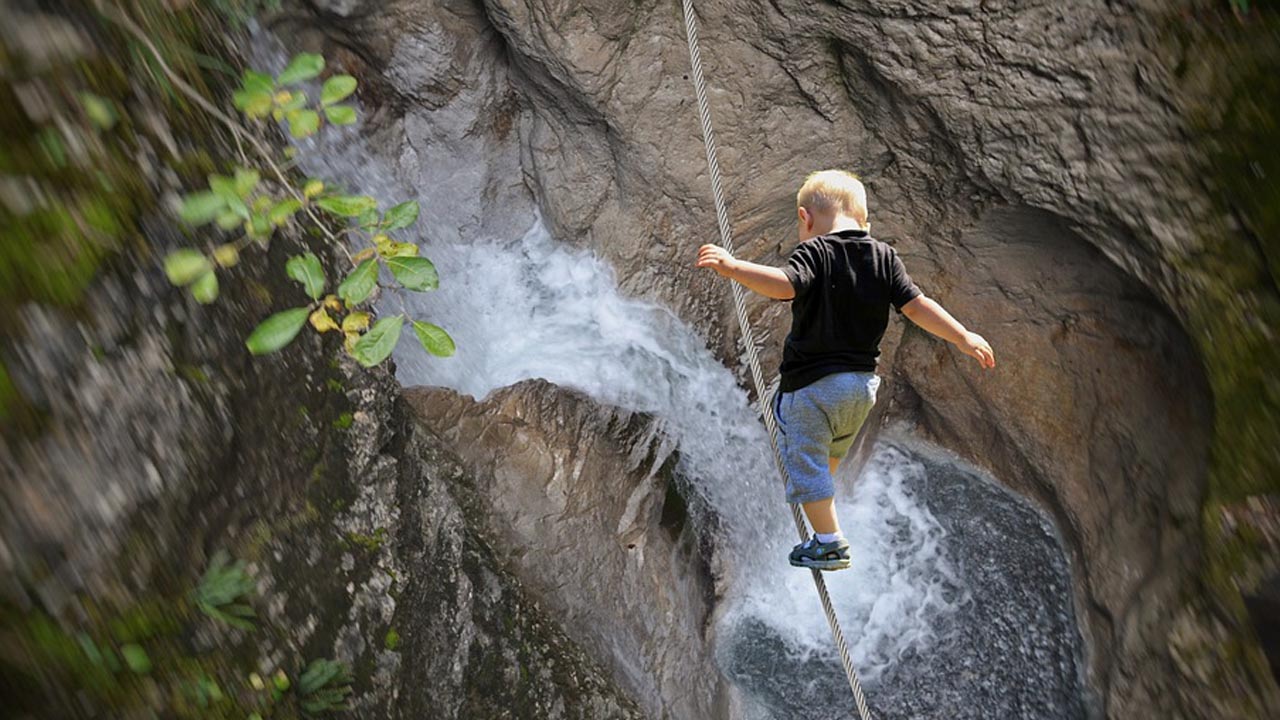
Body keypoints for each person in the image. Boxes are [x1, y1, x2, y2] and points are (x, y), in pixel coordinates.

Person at [695, 170, 995, 570]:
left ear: (806, 219)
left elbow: (785, 285)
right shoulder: (885, 256)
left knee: (802, 454)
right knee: (827, 453)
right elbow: (917, 306)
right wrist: (962, 336)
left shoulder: (815, 251)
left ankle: (829, 542)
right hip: (859, 391)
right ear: (864, 222)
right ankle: (821, 502)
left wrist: (734, 268)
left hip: (812, 389)